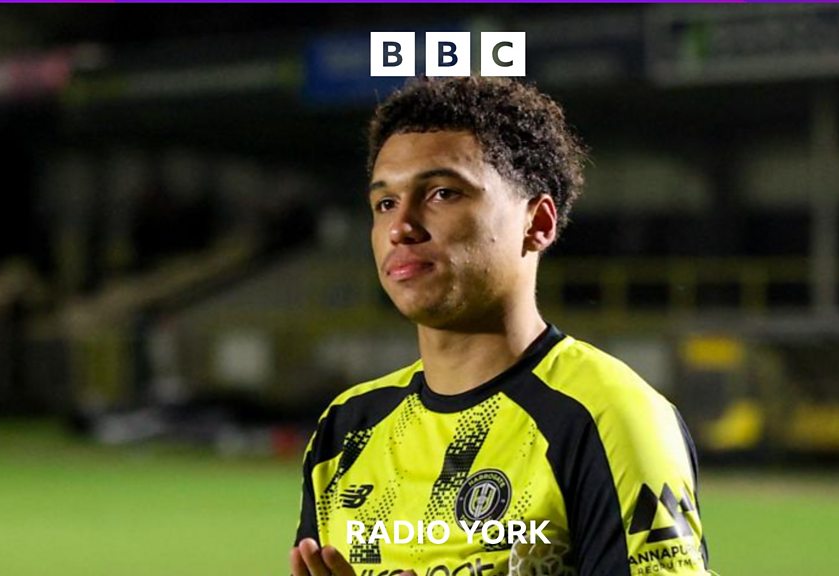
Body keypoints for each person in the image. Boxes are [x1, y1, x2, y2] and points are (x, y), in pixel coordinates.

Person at [291, 77, 715, 576]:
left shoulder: (608, 418)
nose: (400, 226)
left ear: (538, 223)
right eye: (385, 203)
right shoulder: (348, 428)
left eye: (443, 193)